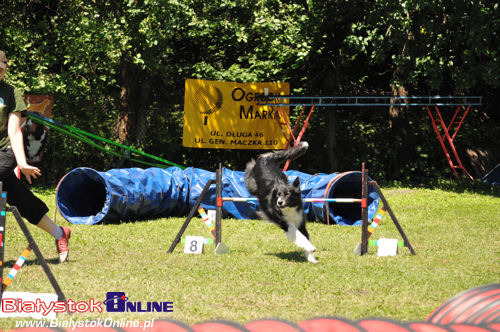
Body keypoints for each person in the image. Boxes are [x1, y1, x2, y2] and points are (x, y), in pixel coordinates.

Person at [0, 50, 70, 263]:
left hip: (5, 151)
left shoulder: (11, 93)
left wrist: (21, 162)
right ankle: (60, 233)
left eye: (2, 67)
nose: (0, 71)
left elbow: (14, 131)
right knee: (19, 198)